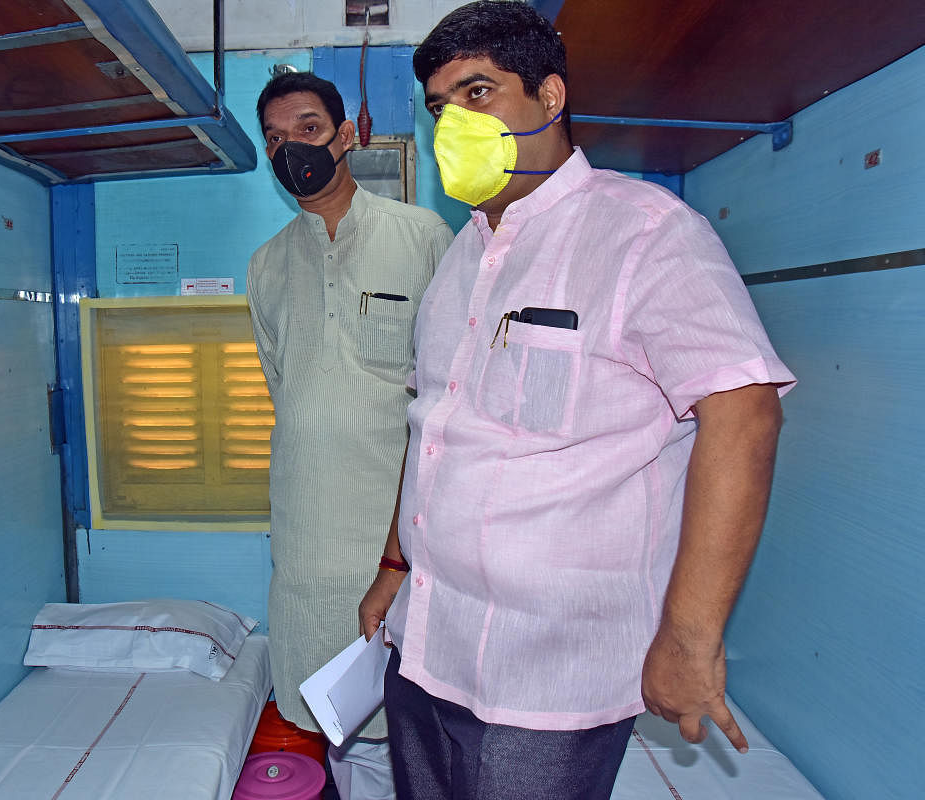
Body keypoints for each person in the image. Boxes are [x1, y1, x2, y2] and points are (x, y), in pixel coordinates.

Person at [357, 3, 798, 799]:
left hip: (548, 675)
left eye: (479, 92)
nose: (453, 120)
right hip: (426, 644)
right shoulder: (460, 258)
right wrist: (396, 564)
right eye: (438, 107)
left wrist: (690, 639)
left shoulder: (645, 234)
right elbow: (435, 431)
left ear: (550, 97)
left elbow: (745, 413)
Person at [247, 71, 455, 800]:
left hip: (398, 535)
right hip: (308, 533)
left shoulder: (423, 236)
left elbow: (451, 389)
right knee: (335, 713)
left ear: (346, 136)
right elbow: (289, 388)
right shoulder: (267, 264)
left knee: (417, 711)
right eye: (274, 137)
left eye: (306, 128)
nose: (289, 149)